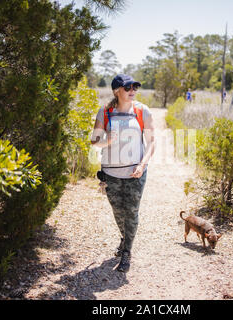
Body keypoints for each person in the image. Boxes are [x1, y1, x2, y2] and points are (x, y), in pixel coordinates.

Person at [91, 74, 156, 272]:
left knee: (132, 212)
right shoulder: (105, 111)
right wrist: (107, 141)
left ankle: (127, 251)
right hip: (111, 173)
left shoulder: (141, 111)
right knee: (118, 213)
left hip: (135, 172)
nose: (132, 91)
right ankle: (124, 238)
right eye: (128, 88)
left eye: (135, 87)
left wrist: (143, 164)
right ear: (116, 91)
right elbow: (94, 141)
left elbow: (152, 142)